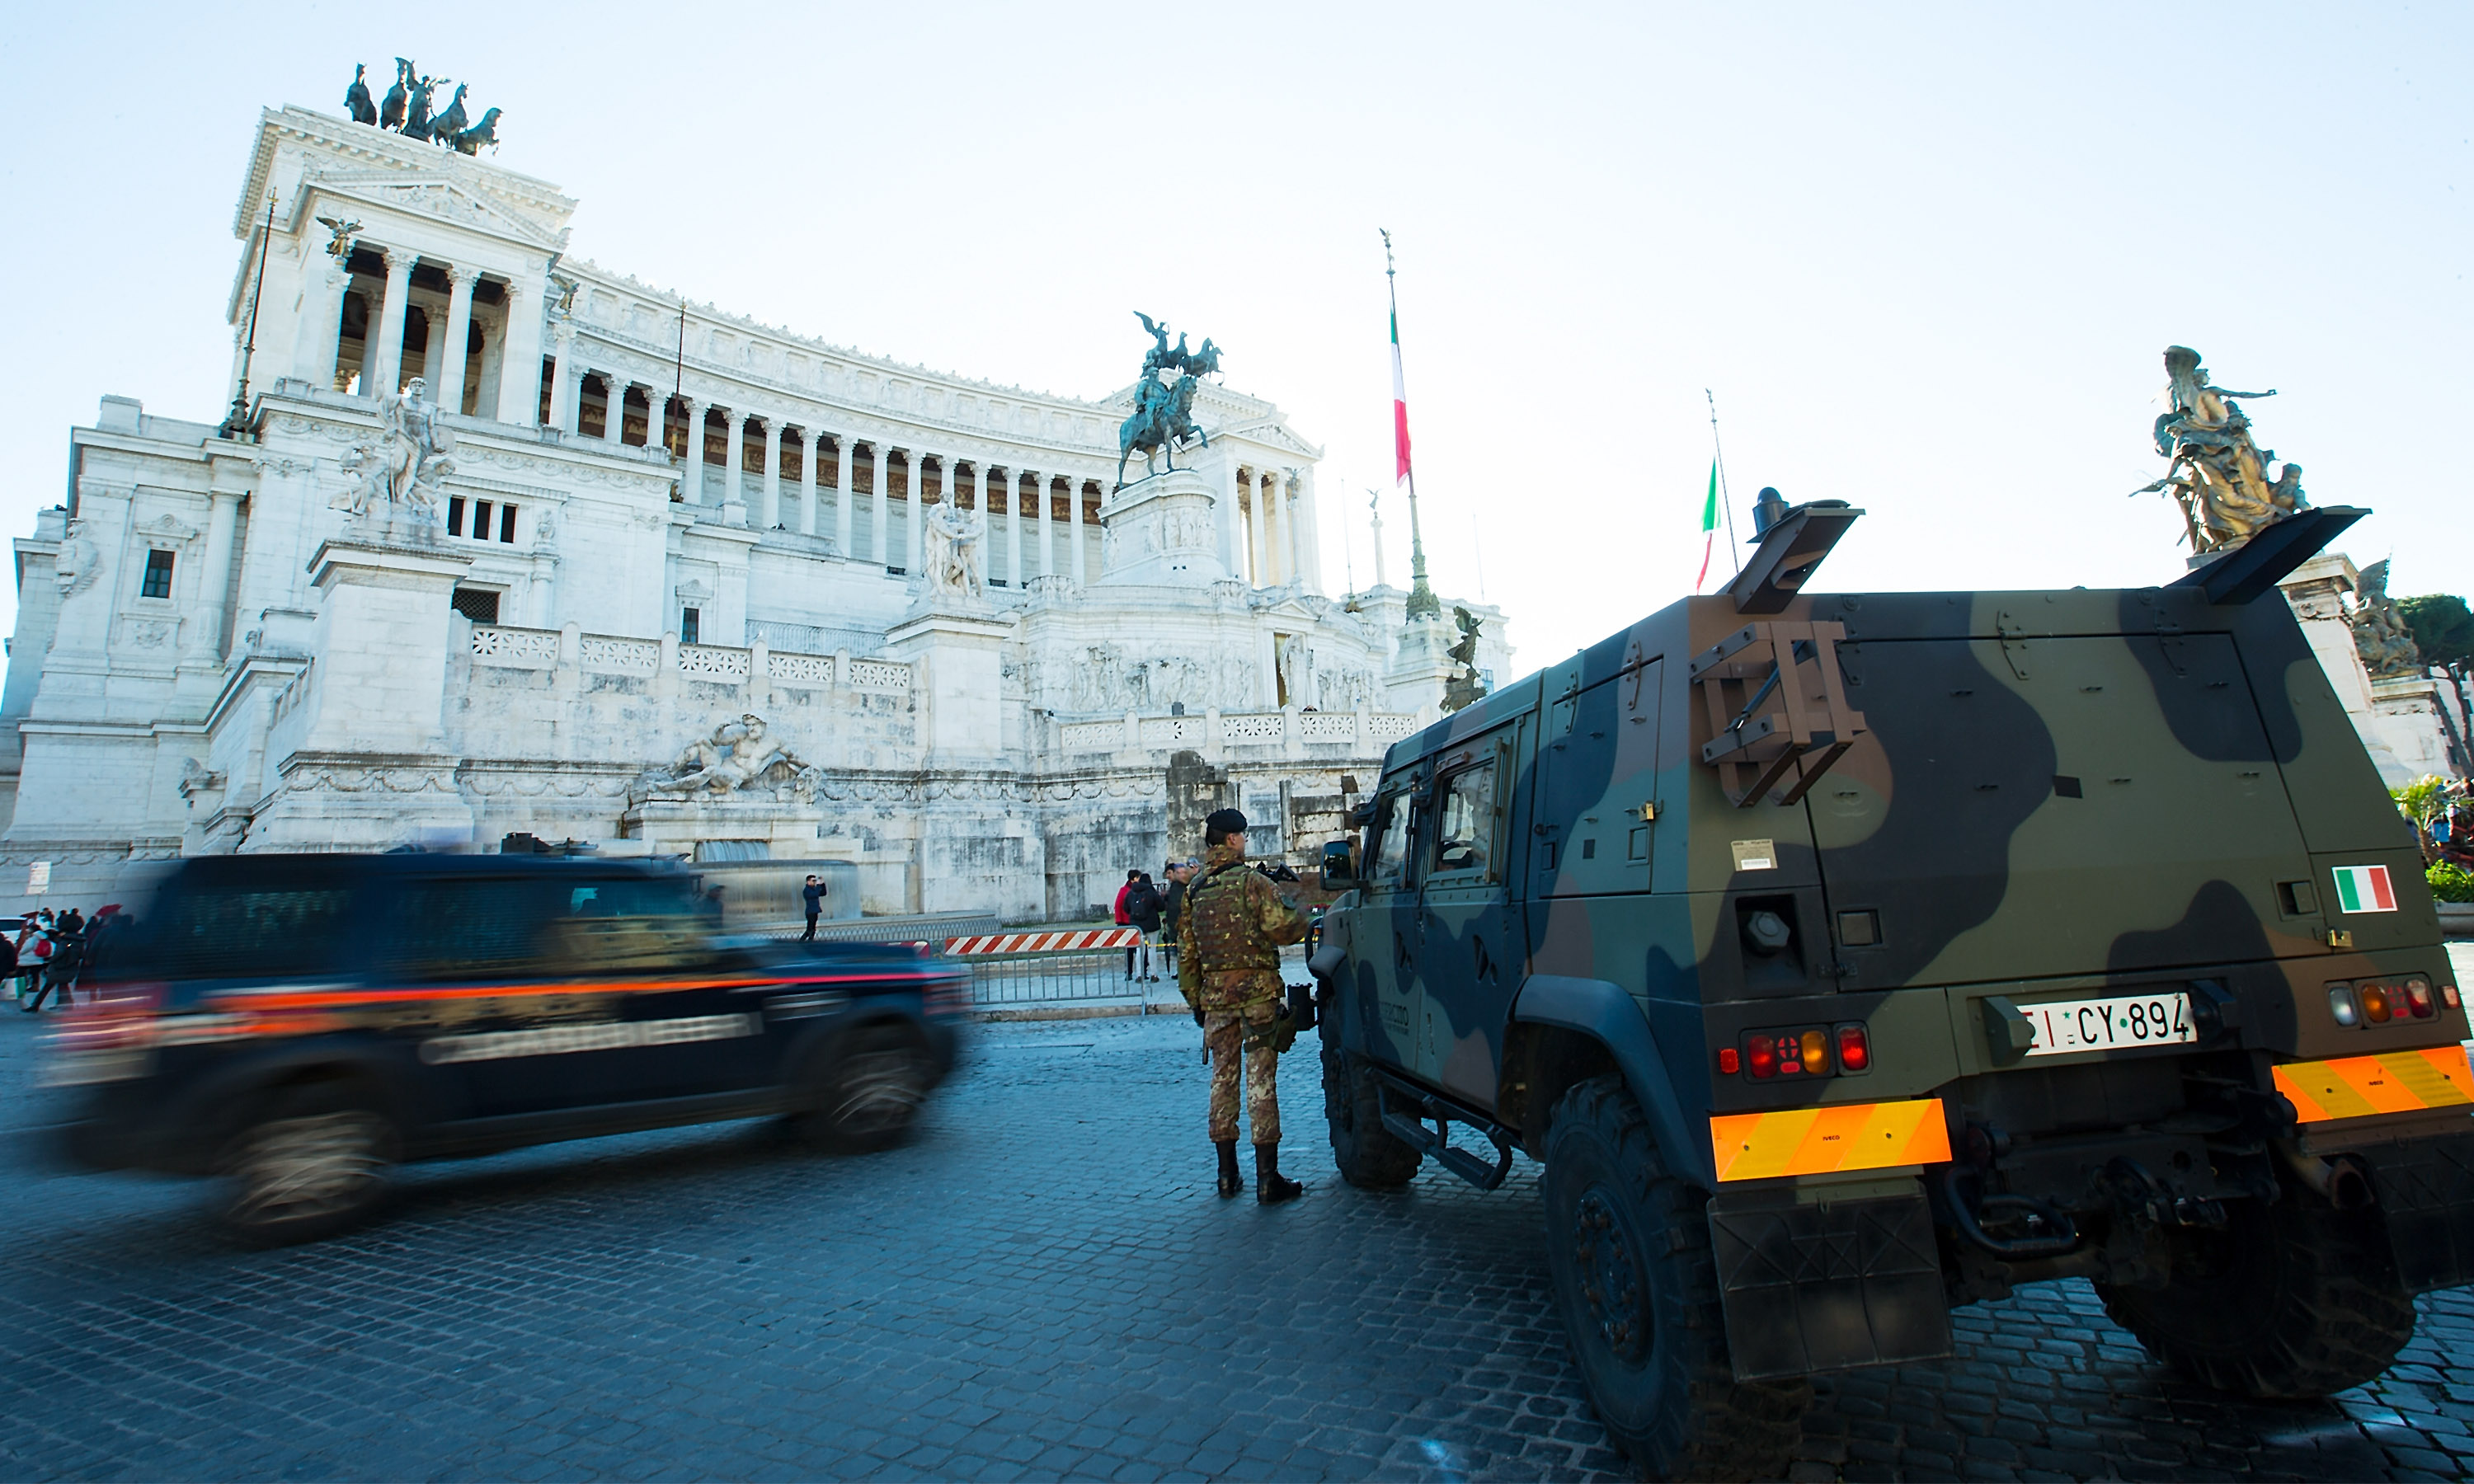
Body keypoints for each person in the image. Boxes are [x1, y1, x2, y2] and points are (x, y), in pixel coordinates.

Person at [1177, 808, 1311, 1204]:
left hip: (1216, 1000)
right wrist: (1300, 906)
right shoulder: (1253, 882)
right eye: (1243, 836)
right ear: (1233, 839)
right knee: (1261, 1084)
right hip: (1256, 998)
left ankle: (1226, 1175)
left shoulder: (1194, 890)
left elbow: (1187, 954)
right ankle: (1268, 1179)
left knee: (1222, 1081)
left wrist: (1196, 1001)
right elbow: (1285, 929)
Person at [1125, 872, 1164, 982]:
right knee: (1152, 950)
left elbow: (1126, 908)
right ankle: (1154, 974)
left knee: (1139, 950)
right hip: (1152, 925)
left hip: (1137, 926)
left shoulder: (1131, 893)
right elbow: (1161, 906)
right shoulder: (1151, 892)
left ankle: (1139, 975)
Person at [1159, 860, 1195, 977]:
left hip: (1180, 924)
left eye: (1170, 873)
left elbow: (1178, 906)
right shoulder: (1177, 887)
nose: (1168, 876)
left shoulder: (1182, 886)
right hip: (1175, 924)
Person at [1113, 868, 1141, 980]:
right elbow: (1118, 906)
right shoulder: (1124, 891)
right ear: (1134, 879)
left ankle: (1142, 971)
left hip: (1136, 922)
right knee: (1129, 950)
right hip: (1126, 923)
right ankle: (1129, 972)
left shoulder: (1138, 890)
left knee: (1139, 949)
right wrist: (1119, 922)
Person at [801, 875, 825, 942]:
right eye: (813, 881)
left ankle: (809, 941)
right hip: (810, 912)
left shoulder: (814, 889)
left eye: (815, 881)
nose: (815, 882)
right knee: (810, 929)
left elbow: (823, 893)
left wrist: (822, 884)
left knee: (812, 929)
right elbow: (815, 894)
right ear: (808, 882)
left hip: (815, 911)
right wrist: (818, 885)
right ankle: (802, 941)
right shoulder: (807, 890)